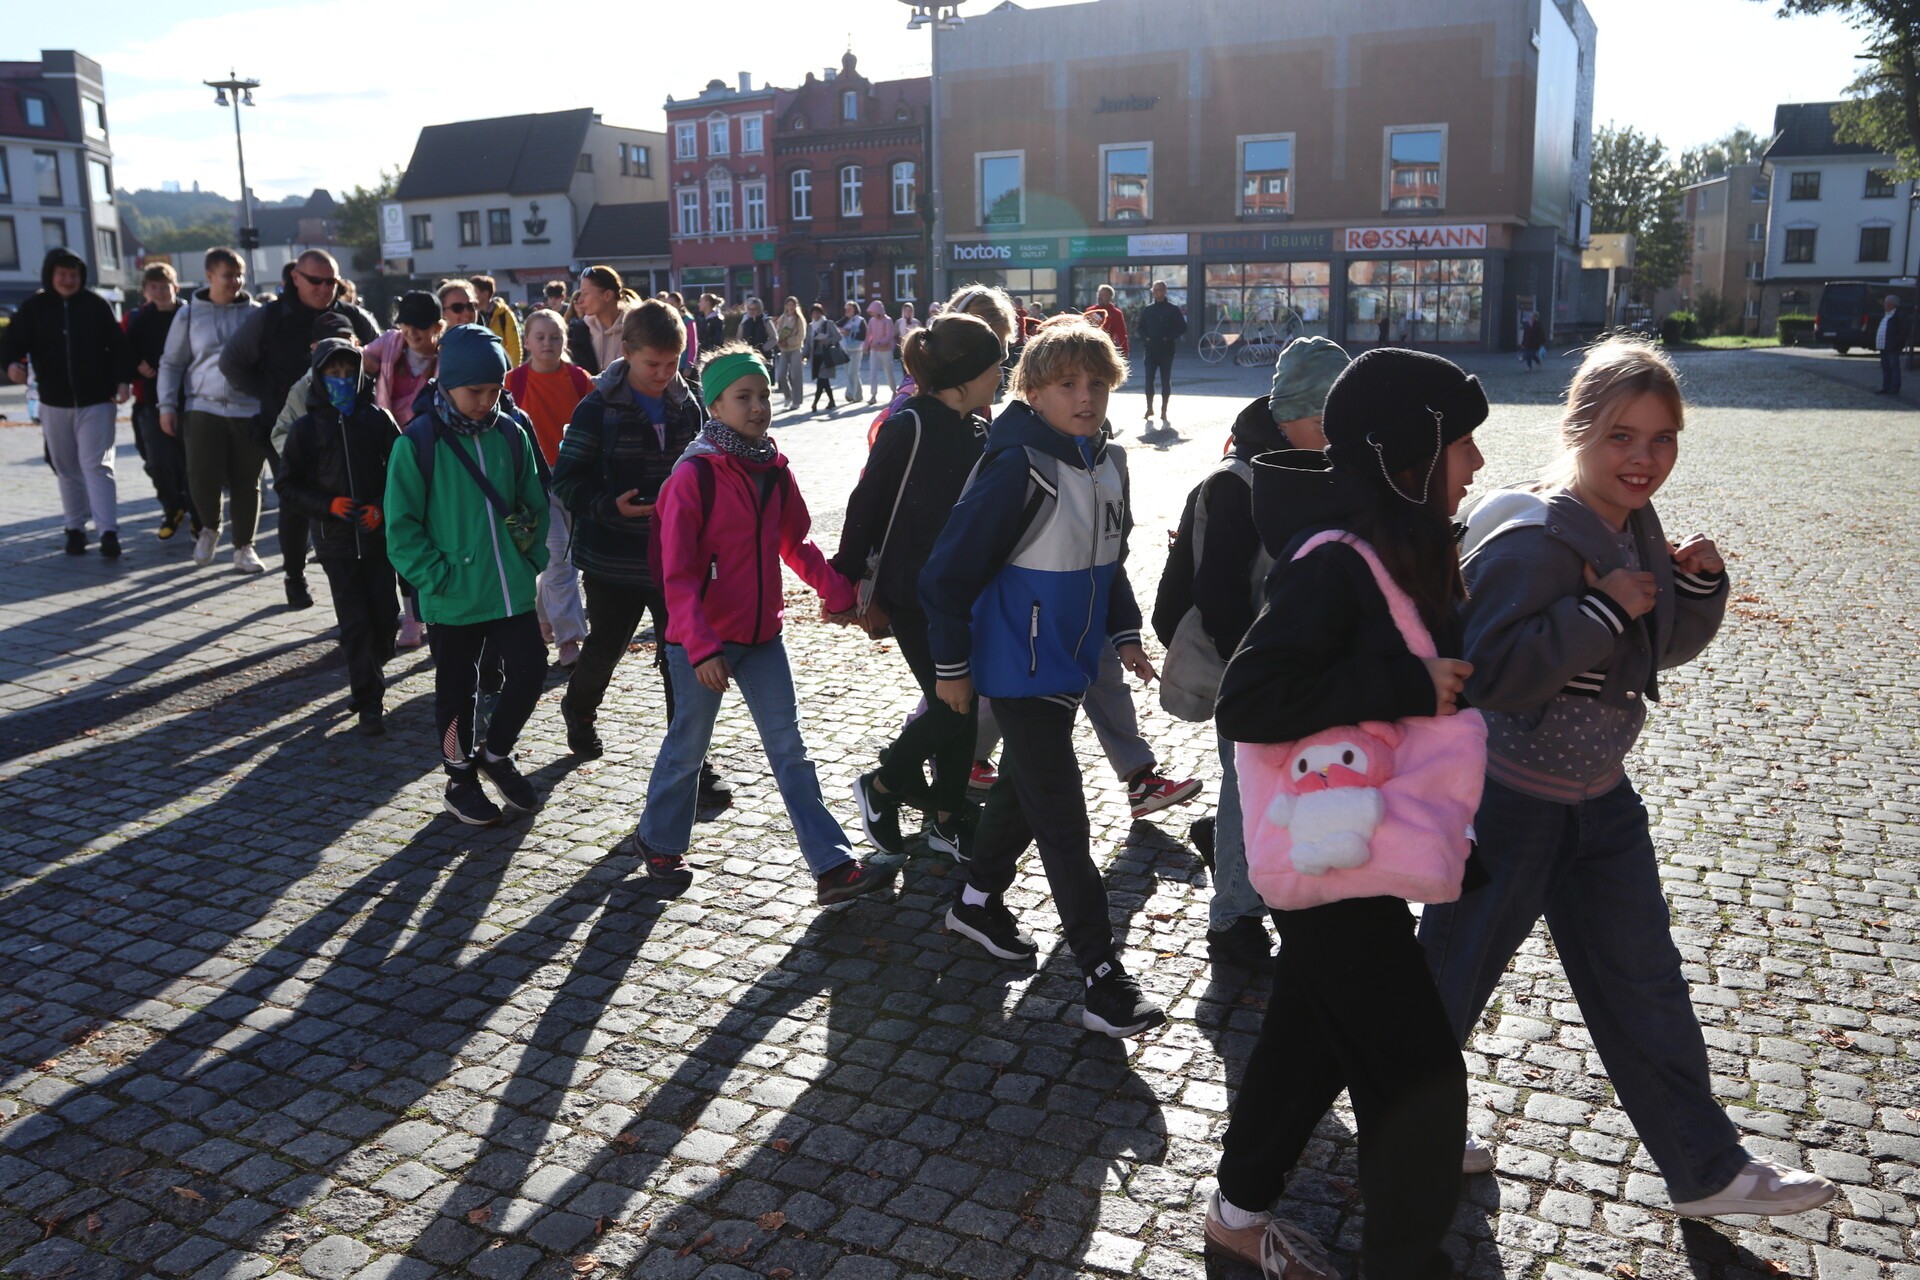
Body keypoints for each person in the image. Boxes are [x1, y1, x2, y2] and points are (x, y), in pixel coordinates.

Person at [1417, 339, 1838, 1215]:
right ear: (1577, 430)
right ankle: (1406, 1124)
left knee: (1644, 982)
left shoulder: (1634, 529)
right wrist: (1601, 606)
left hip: (1601, 801)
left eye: (1662, 438)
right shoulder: (1535, 541)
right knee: (1449, 980)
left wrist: (1698, 588)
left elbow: (1650, 652)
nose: (1644, 458)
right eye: (1621, 436)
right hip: (1509, 801)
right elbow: (1493, 673)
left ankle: (1706, 1171)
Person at [1204, 347, 1488, 1280]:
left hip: (1349, 847)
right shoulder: (1333, 558)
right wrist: (1405, 683)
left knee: (1309, 1038)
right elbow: (1249, 700)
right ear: (1413, 454)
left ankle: (1237, 1214)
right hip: (1329, 855)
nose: (1477, 463)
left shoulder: (1395, 543)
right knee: (1421, 1078)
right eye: (1463, 444)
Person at [920, 317, 1165, 1038]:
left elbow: (1110, 558)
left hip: (1070, 662)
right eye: (1066, 384)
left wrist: (1124, 634)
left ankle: (975, 901)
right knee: (1064, 818)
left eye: (1096, 384)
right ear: (1032, 390)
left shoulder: (1109, 461)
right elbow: (944, 575)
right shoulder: (1016, 467)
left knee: (1026, 796)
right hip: (1018, 668)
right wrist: (952, 670)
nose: (1084, 397)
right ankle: (1101, 976)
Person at [613, 342, 892, 906]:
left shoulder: (773, 468)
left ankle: (832, 867)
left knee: (791, 750)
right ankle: (658, 841)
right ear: (715, 405)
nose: (759, 406)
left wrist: (843, 594)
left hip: (764, 637)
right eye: (744, 397)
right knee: (688, 748)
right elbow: (676, 575)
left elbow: (797, 543)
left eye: (763, 394)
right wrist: (701, 647)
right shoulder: (694, 475)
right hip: (703, 643)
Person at [1152, 335, 1351, 973]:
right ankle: (1232, 918)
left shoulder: (1322, 465)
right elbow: (1217, 595)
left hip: (1299, 667)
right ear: (1288, 414)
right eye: (1323, 422)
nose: (1334, 436)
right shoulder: (1238, 483)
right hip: (1250, 669)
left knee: (1282, 785)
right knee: (1249, 789)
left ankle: (1231, 849)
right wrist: (1261, 669)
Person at [835, 313, 1004, 862]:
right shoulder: (909, 425)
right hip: (912, 590)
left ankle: (946, 819)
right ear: (967, 373)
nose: (1002, 374)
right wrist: (844, 581)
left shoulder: (978, 430)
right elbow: (867, 503)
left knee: (959, 703)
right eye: (996, 364)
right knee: (953, 704)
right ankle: (885, 783)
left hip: (963, 593)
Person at [552, 302, 729, 811]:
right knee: (605, 648)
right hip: (613, 560)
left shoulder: (688, 404)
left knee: (683, 659)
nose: (663, 374)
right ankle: (579, 708)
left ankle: (692, 762)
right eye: (653, 363)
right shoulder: (597, 409)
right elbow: (566, 480)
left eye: (672, 363)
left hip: (675, 559)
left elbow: (707, 466)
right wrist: (610, 506)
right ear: (626, 352)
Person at [383, 325, 551, 827]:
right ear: (449, 382)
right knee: (457, 690)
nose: (486, 401)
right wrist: (436, 577)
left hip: (509, 590)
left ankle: (496, 753)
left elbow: (534, 502)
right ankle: (459, 779)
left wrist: (531, 559)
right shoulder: (418, 442)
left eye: (494, 390)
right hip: (453, 594)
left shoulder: (511, 433)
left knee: (531, 669)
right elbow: (401, 528)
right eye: (475, 390)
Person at [220, 248, 380, 609]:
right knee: (296, 505)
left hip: (347, 427)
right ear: (295, 277)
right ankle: (295, 577)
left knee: (353, 500)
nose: (324, 288)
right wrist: (265, 392)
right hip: (290, 427)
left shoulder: (352, 316)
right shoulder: (271, 317)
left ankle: (355, 579)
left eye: (331, 281)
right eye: (315, 280)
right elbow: (231, 362)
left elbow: (381, 354)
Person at [276, 338, 402, 735]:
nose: (343, 380)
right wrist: (328, 505)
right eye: (334, 373)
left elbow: (403, 471)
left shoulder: (378, 419)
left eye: (349, 372)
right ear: (319, 377)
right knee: (355, 622)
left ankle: (370, 671)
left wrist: (381, 506)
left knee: (386, 619)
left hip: (378, 539)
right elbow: (287, 485)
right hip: (336, 543)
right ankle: (369, 701)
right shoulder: (306, 428)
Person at [2, 248, 129, 556]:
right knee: (67, 467)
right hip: (53, 402)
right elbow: (11, 343)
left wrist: (123, 380)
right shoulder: (34, 307)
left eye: (73, 274)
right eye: (62, 274)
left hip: (97, 401)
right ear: (51, 275)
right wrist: (11, 365)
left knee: (97, 465)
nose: (68, 280)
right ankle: (75, 529)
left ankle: (108, 531)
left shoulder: (95, 305)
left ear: (81, 276)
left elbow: (118, 345)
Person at [159, 248, 264, 574]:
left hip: (248, 409)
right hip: (202, 406)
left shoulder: (256, 314)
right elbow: (171, 363)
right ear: (209, 276)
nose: (236, 281)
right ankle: (209, 527)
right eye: (228, 275)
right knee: (202, 476)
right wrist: (166, 405)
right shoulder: (189, 315)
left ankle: (244, 547)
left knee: (247, 482)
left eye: (239, 275)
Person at [504, 309, 594, 670]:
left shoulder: (579, 379)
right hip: (533, 483)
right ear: (526, 341)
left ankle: (545, 617)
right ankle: (568, 639)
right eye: (540, 337)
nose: (548, 343)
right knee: (559, 557)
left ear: (565, 340)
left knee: (562, 559)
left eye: (555, 336)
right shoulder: (513, 382)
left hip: (575, 478)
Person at [123, 262, 196, 541]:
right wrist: (137, 366)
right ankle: (172, 507)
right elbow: (125, 353)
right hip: (150, 401)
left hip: (188, 400)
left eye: (164, 287)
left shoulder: (190, 316)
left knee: (191, 460)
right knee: (156, 460)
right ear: (145, 291)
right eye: (153, 287)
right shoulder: (139, 320)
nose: (160, 292)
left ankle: (197, 514)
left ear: (175, 287)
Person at [363, 291, 443, 429]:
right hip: (388, 434)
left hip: (427, 434)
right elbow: (357, 355)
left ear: (437, 328)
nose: (411, 332)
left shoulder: (446, 357)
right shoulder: (390, 342)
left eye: (420, 325)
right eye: (406, 323)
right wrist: (374, 365)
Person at [1136, 281, 1186, 422]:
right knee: (1148, 381)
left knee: (1165, 381)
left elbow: (1182, 327)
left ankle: (1164, 410)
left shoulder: (1173, 309)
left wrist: (1167, 338)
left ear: (1165, 291)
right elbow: (1140, 328)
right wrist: (1146, 338)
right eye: (1154, 290)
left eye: (1159, 290)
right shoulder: (1148, 309)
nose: (1156, 292)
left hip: (1166, 350)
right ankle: (1149, 408)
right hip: (1150, 350)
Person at [568, 266, 628, 376]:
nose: (580, 300)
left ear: (607, 295)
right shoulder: (578, 333)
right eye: (580, 294)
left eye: (585, 293)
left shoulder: (637, 330)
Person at [472, 275, 523, 367]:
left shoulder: (504, 313)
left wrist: (511, 371)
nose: (471, 295)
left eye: (474, 291)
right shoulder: (469, 314)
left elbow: (514, 346)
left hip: (499, 368)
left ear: (485, 294)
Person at [861, 299, 898, 403]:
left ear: (878, 310)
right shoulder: (871, 321)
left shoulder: (887, 320)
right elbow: (869, 335)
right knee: (873, 372)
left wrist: (879, 342)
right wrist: (866, 346)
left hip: (886, 350)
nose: (871, 314)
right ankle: (873, 395)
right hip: (874, 351)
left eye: (872, 311)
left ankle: (894, 391)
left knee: (888, 372)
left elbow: (889, 336)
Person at [774, 296, 807, 410]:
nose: (791, 307)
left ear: (796, 306)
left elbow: (801, 336)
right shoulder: (782, 318)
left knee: (795, 375)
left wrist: (788, 341)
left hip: (795, 349)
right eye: (789, 305)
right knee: (781, 375)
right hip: (784, 350)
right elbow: (777, 333)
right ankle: (788, 396)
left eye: (793, 305)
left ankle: (797, 401)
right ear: (786, 306)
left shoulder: (799, 319)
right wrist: (779, 342)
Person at [808, 303, 840, 413]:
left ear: (822, 313)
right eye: (814, 313)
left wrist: (827, 340)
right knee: (824, 381)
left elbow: (838, 337)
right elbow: (808, 342)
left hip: (826, 356)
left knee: (821, 380)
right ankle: (832, 401)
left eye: (818, 313)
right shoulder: (810, 326)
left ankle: (814, 403)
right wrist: (804, 354)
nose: (816, 315)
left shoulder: (828, 323)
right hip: (815, 357)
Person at [1875, 293, 1909, 394]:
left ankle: (1894, 388)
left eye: (1886, 303)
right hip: (1883, 346)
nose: (1884, 305)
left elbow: (1904, 330)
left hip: (1892, 346)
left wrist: (1896, 342)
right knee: (1885, 367)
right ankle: (1886, 386)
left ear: (1893, 304)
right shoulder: (1886, 314)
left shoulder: (1899, 315)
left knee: (1894, 367)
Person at [1088, 283, 1131, 360]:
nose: (1100, 297)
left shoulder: (1116, 314)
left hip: (1106, 349)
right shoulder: (1090, 311)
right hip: (1089, 349)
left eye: (1103, 295)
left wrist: (1125, 352)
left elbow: (1121, 334)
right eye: (1099, 294)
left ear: (1110, 298)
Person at [838, 300, 867, 403]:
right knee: (851, 373)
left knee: (852, 372)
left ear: (855, 309)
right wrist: (842, 329)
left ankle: (849, 394)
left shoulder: (860, 320)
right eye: (846, 309)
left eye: (849, 309)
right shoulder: (845, 320)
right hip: (845, 349)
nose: (847, 311)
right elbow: (836, 326)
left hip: (856, 350)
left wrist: (850, 333)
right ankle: (859, 395)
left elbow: (864, 335)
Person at [739, 297, 775, 367]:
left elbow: (774, 338)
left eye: (754, 309)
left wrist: (762, 348)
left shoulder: (765, 321)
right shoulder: (744, 322)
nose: (752, 311)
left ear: (759, 309)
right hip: (748, 357)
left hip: (764, 357)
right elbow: (739, 338)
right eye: (749, 309)